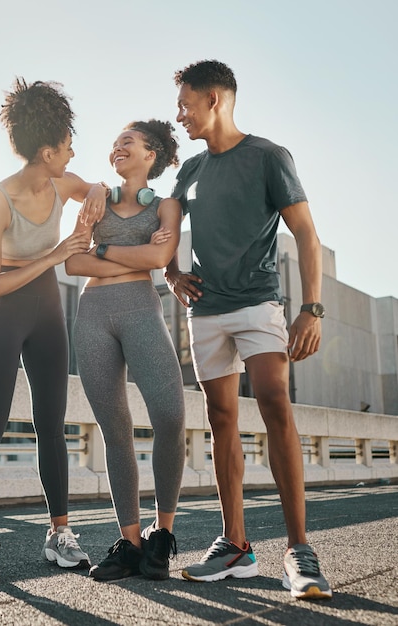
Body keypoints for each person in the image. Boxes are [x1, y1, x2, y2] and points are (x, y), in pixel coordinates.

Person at [165, 60, 332, 600]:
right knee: (220, 418)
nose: (180, 114)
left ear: (214, 99)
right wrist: (171, 273)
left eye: (186, 103)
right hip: (206, 311)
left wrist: (312, 308)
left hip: (259, 305)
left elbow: (305, 232)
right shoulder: (188, 170)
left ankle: (299, 550)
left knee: (275, 403)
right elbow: (164, 233)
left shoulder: (268, 156)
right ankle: (235, 545)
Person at [0, 77, 107, 583]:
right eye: (67, 146)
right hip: (2, 312)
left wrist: (97, 198)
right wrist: (56, 253)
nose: (73, 153)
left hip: (46, 312)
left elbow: (95, 190)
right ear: (46, 151)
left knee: (52, 423)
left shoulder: (59, 183)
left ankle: (59, 534)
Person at [65, 120, 186, 582]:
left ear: (151, 154)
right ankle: (130, 542)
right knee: (115, 430)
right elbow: (73, 260)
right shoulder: (97, 200)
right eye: (115, 143)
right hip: (93, 312)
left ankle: (162, 533)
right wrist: (123, 250)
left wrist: (106, 246)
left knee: (170, 417)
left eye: (128, 143)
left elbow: (158, 260)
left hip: (140, 307)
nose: (117, 148)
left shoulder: (168, 206)